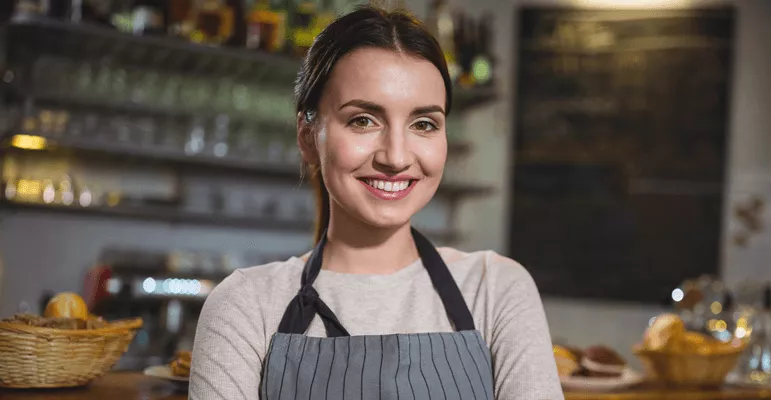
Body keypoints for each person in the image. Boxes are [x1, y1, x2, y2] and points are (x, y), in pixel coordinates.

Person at [189, 6, 562, 400]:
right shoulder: (246, 305)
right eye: (364, 120)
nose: (396, 157)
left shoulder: (496, 289)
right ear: (307, 136)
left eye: (424, 124)